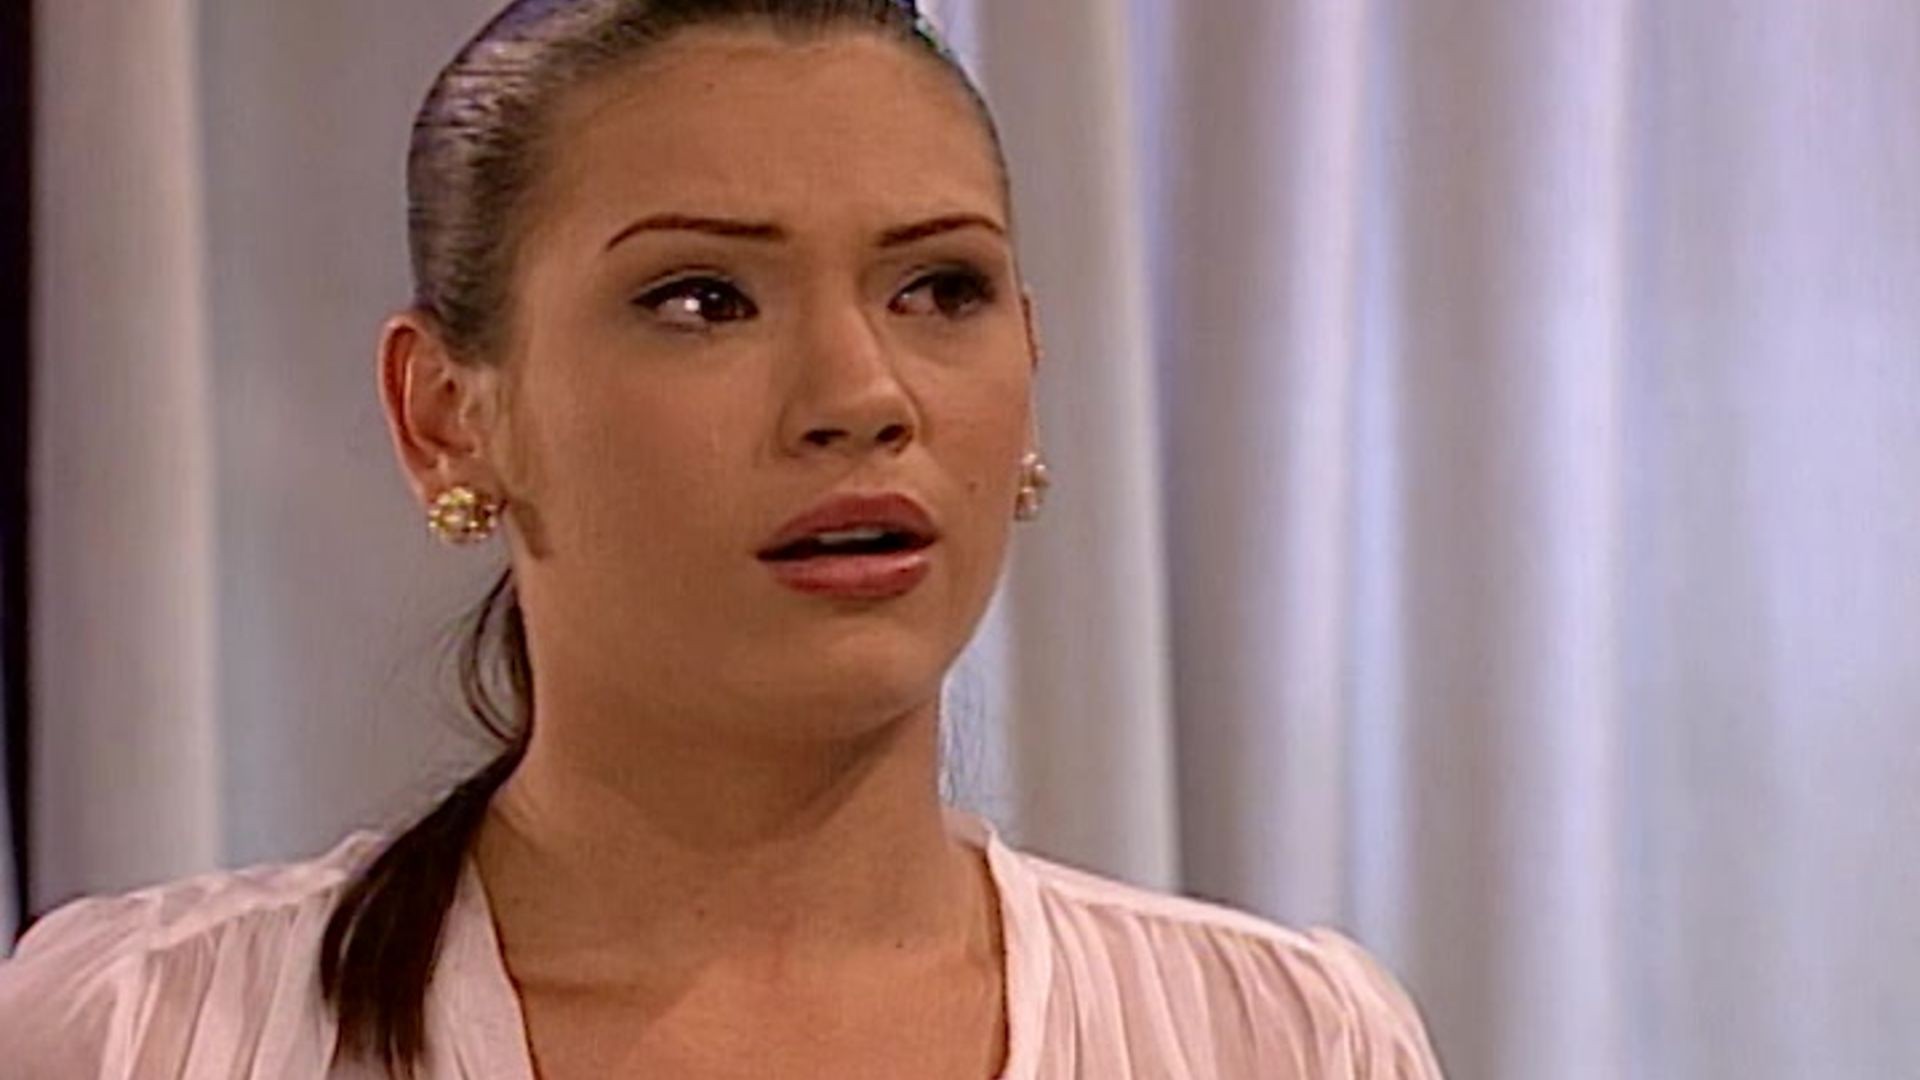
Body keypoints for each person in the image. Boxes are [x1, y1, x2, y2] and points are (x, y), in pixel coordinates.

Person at [0, 1, 1445, 1076]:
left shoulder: (1285, 1041)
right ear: (447, 414)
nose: (861, 395)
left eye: (939, 289)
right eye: (702, 299)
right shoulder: (138, 1035)